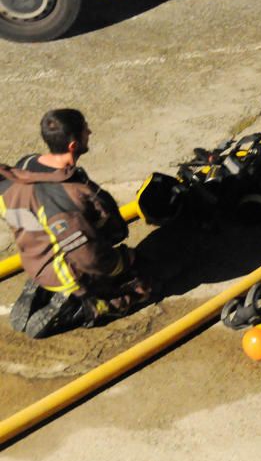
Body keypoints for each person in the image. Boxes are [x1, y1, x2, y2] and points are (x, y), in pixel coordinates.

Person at [0, 109, 153, 338]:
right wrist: (122, 261)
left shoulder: (25, 166)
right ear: (73, 145)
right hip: (66, 271)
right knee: (142, 284)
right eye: (85, 130)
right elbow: (91, 258)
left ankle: (43, 280)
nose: (89, 132)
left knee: (63, 245)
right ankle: (84, 307)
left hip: (32, 254)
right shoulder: (71, 195)